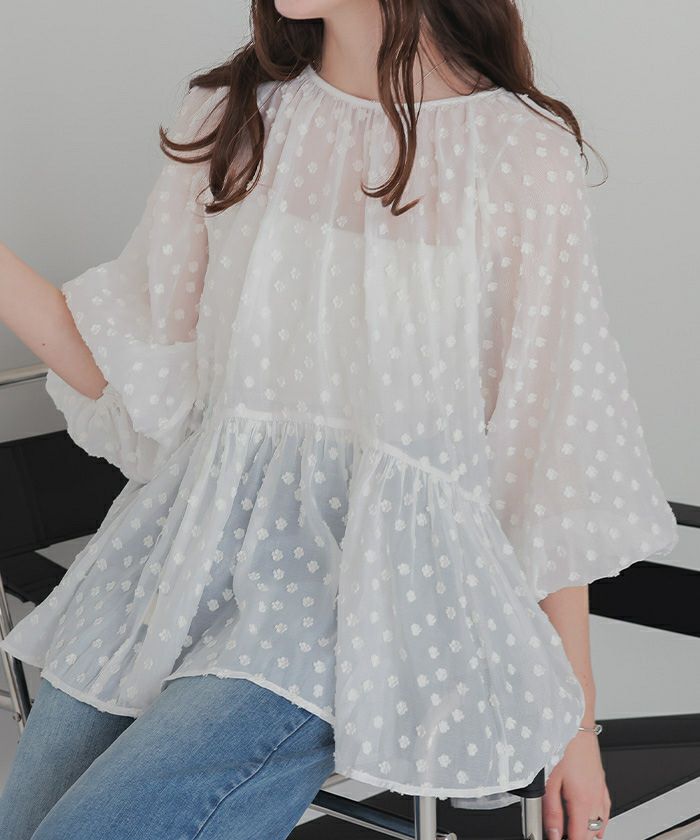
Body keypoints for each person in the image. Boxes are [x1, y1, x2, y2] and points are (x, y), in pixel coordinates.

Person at [0, 1, 679, 838]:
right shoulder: (231, 119)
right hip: (185, 563)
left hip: (370, 601)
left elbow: (545, 455)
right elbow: (144, 377)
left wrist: (578, 723)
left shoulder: (517, 154)